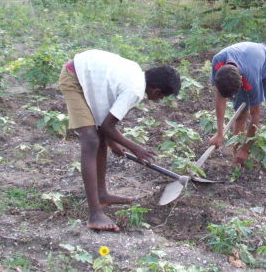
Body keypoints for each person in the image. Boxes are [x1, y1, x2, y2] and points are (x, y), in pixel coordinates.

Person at [59, 49, 181, 232]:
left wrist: (111, 142)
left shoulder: (137, 75)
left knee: (99, 139)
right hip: (74, 77)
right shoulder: (134, 90)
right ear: (157, 91)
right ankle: (95, 214)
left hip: (85, 73)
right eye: (162, 97)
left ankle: (102, 194)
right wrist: (136, 148)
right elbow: (108, 126)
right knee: (91, 141)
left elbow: (105, 125)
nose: (159, 100)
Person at [209, 42, 266, 183]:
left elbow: (256, 116)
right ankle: (237, 161)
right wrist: (219, 133)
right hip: (245, 62)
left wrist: (246, 149)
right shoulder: (218, 62)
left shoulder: (251, 78)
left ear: (242, 82)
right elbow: (219, 96)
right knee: (241, 114)